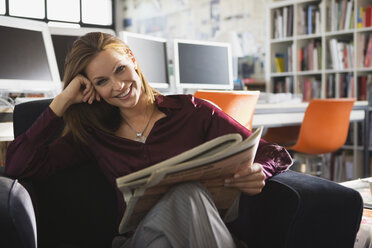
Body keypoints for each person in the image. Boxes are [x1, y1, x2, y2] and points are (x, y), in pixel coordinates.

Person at [5, 32, 292, 248]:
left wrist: (260, 170)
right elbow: (19, 165)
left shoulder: (191, 111)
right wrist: (63, 99)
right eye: (102, 82)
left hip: (198, 233)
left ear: (132, 57)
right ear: (92, 89)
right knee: (185, 195)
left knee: (187, 197)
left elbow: (274, 152)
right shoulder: (95, 134)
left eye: (120, 69)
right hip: (139, 238)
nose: (118, 86)